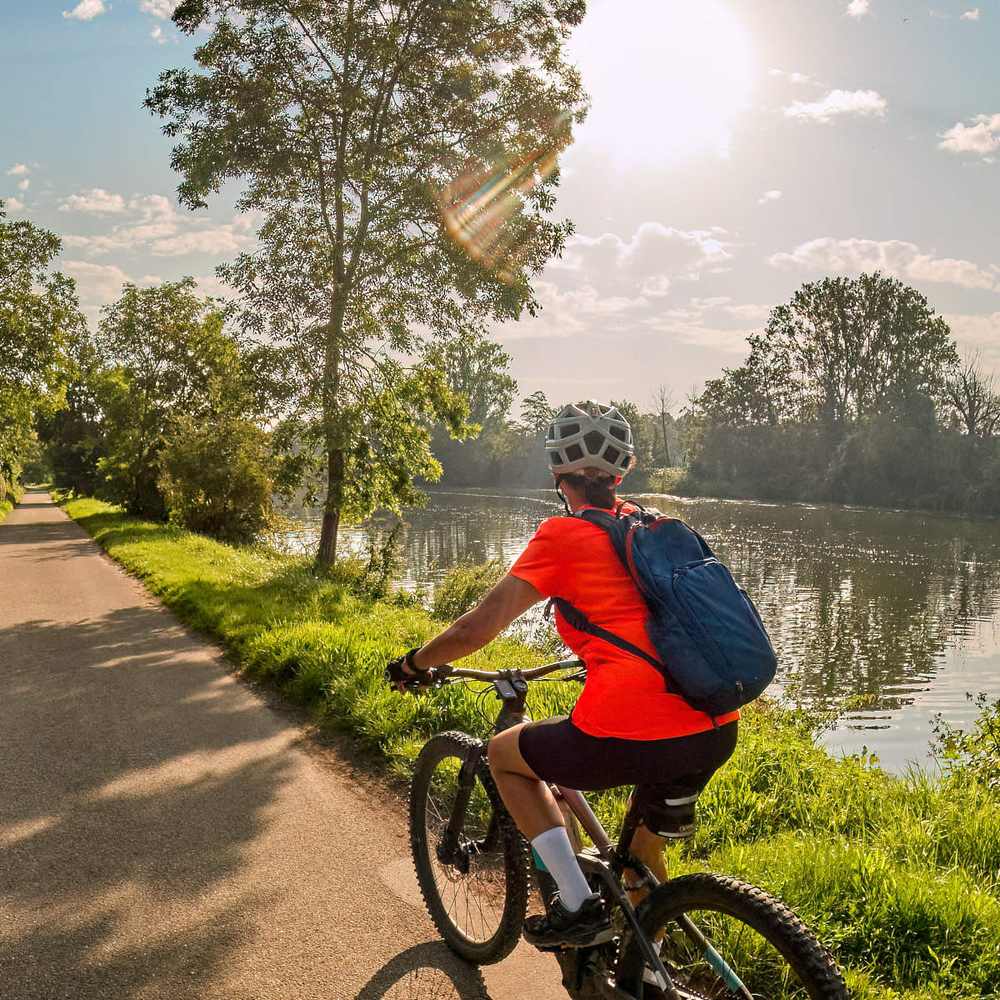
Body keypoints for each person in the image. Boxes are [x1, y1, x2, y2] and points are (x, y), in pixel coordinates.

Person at [392, 400, 738, 949]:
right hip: (715, 723)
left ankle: (577, 908)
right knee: (640, 863)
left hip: (632, 727)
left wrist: (414, 662)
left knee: (506, 758)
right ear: (620, 474)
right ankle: (650, 970)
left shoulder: (562, 536)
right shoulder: (654, 529)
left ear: (558, 474)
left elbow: (478, 626)